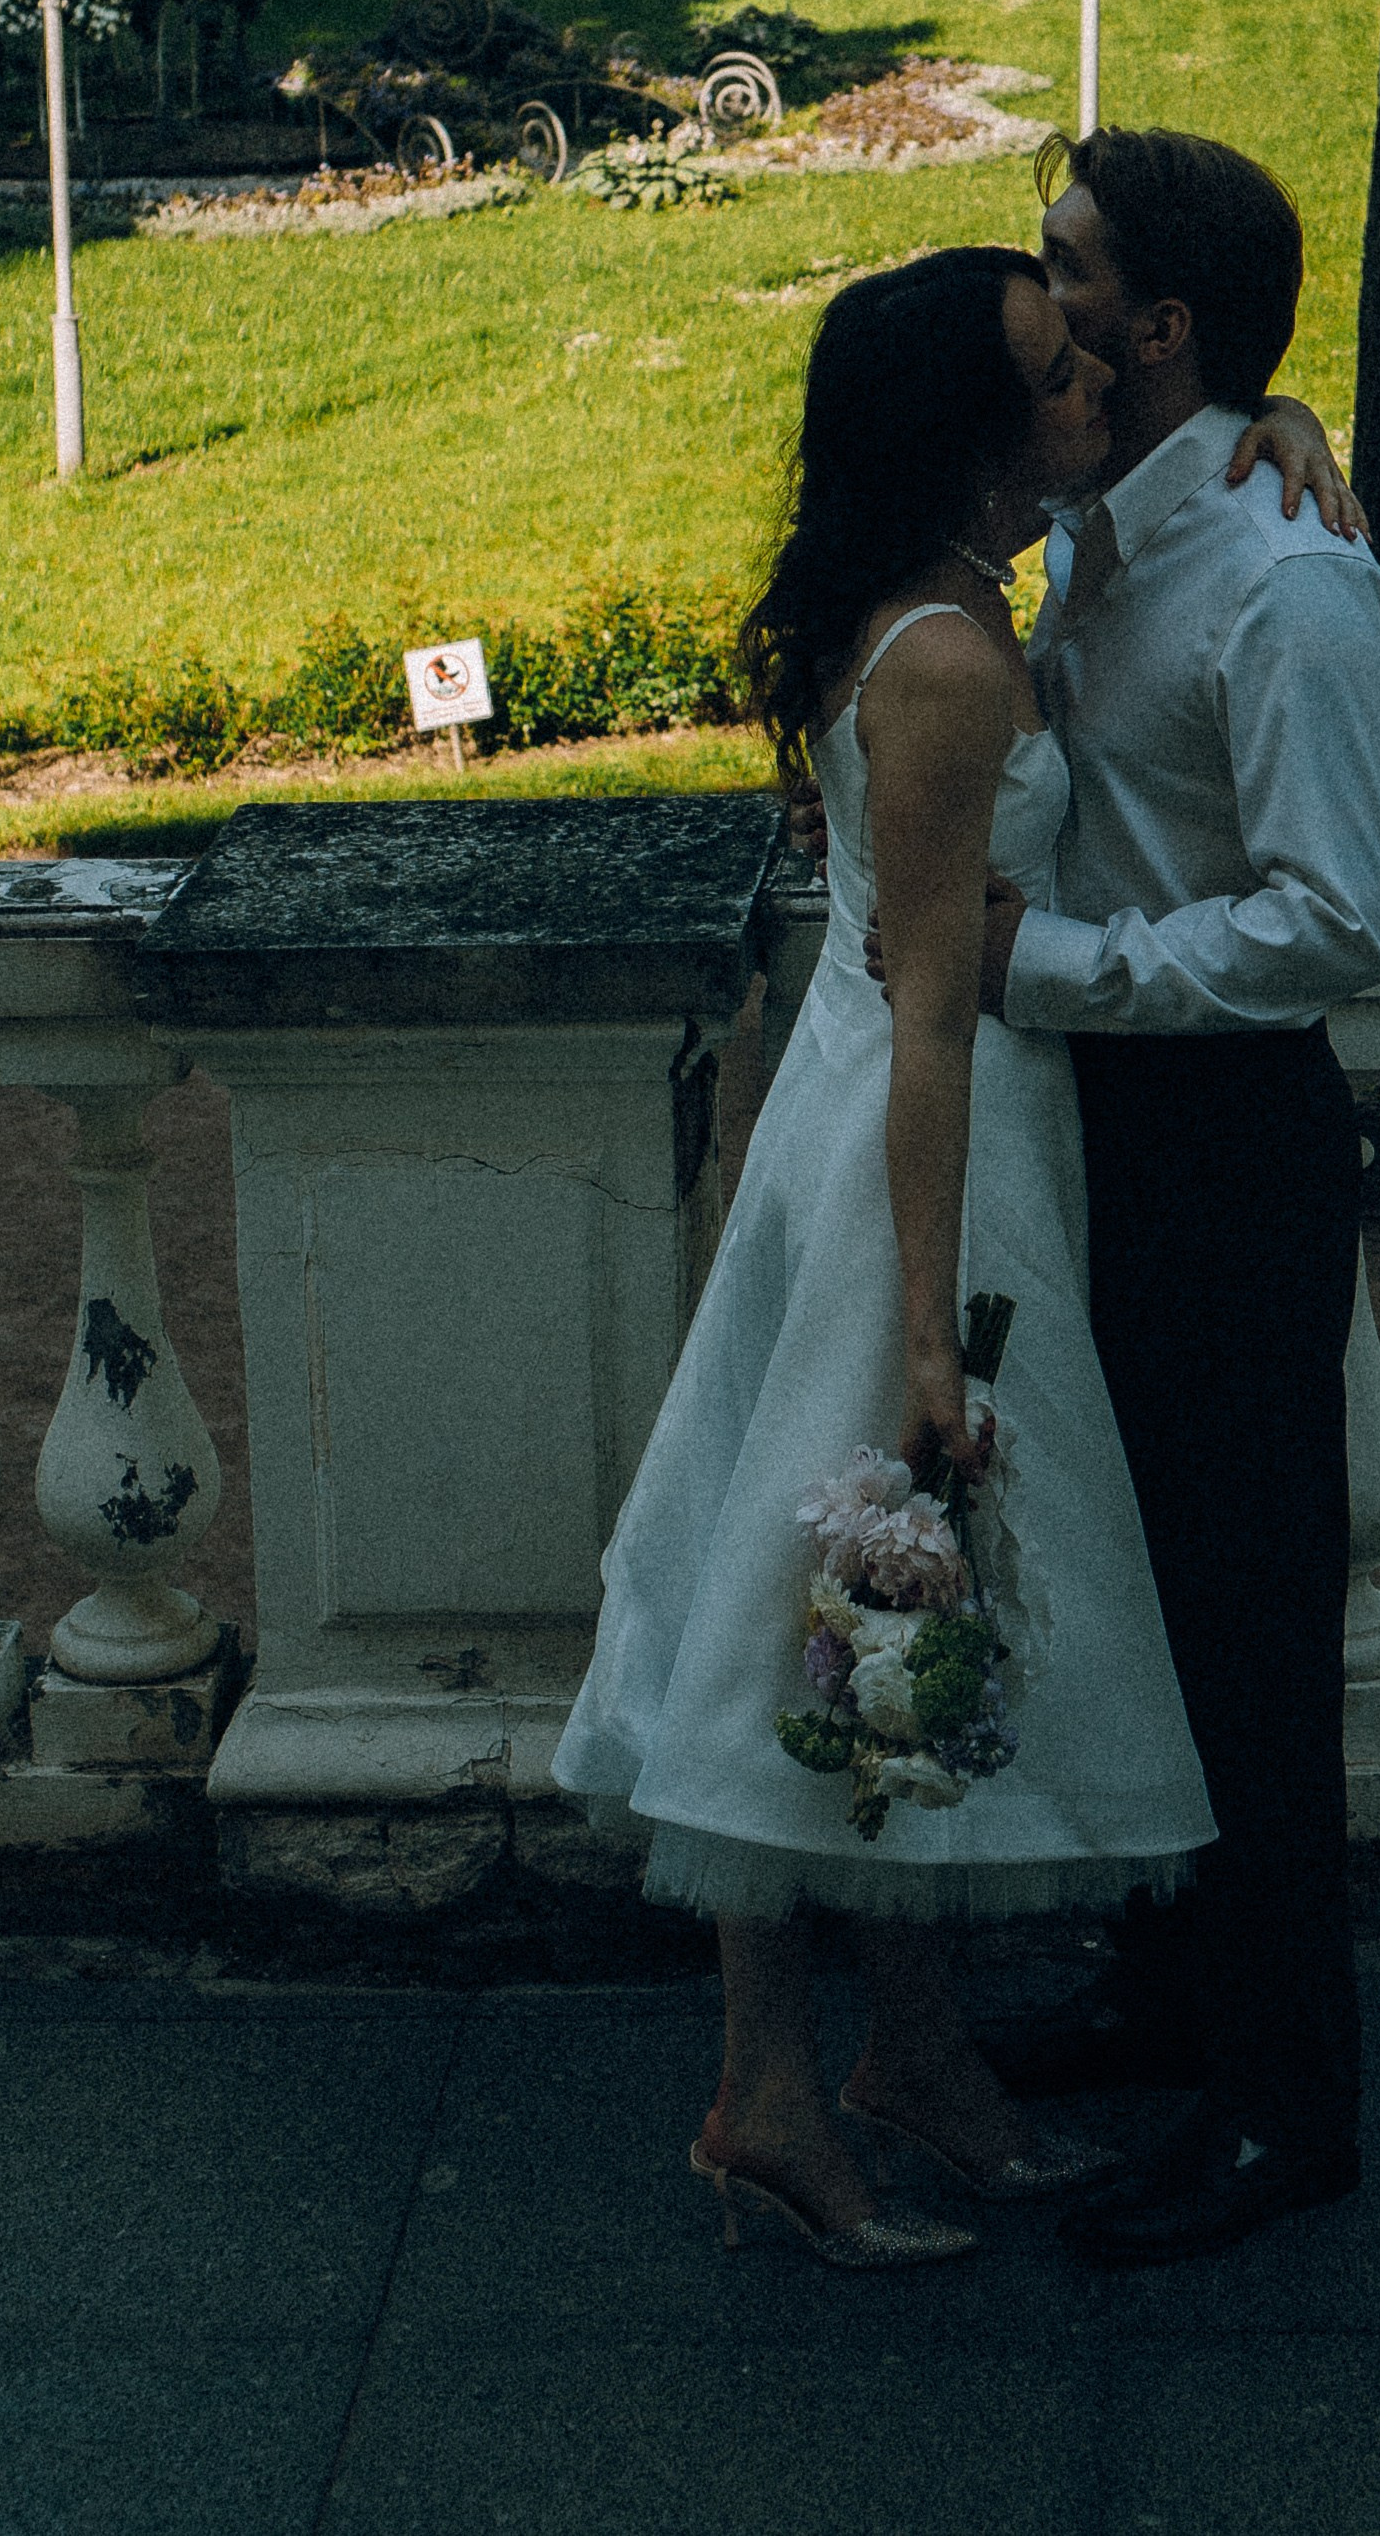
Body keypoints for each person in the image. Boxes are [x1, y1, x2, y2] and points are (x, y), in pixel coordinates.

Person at [552, 244, 1216, 2274]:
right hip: (928, 1151)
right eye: (1049, 374)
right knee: (846, 1593)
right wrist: (927, 1327)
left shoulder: (928, 602)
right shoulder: (946, 660)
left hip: (868, 1121)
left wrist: (1260, 424)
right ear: (964, 430)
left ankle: (909, 2062)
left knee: (880, 1608)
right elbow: (938, 1004)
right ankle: (770, 2092)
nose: (1090, 385)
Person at [977, 127, 1380, 2266]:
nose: (1028, 283)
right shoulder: (1119, 521)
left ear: (1153, 322)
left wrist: (1043, 975)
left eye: (1062, 262)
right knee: (1122, 1586)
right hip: (1089, 1135)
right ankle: (1165, 1993)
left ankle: (1281, 2104)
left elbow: (1337, 923)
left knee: (1242, 1627)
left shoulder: (1287, 579)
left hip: (1220, 1142)